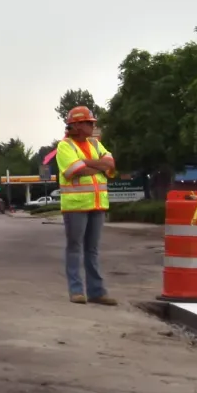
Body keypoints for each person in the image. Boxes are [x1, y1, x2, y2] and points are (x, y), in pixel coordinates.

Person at [55, 107, 117, 305]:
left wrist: (86, 163)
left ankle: (97, 292)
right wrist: (97, 166)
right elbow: (74, 170)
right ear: (77, 125)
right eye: (89, 123)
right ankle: (76, 291)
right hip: (76, 206)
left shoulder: (95, 143)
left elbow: (110, 162)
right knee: (75, 248)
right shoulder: (65, 146)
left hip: (97, 204)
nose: (93, 125)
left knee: (92, 249)